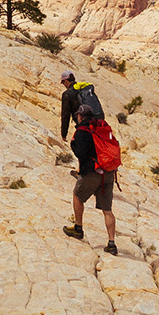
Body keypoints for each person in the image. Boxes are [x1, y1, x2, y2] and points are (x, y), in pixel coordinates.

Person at [64, 97, 120, 251]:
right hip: (108, 172)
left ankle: (78, 228)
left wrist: (73, 145)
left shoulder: (82, 131)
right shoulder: (102, 128)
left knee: (77, 195)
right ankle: (111, 243)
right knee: (107, 209)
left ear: (80, 116)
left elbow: (81, 154)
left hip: (92, 172)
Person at [58, 70, 106, 140]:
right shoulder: (85, 88)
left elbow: (65, 115)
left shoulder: (67, 94)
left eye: (63, 83)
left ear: (66, 81)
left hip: (85, 125)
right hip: (98, 120)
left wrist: (64, 134)